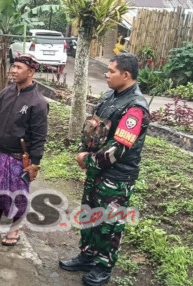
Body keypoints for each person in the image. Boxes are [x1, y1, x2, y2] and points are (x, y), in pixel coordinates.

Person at [59, 53, 150, 286]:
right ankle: (87, 255)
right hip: (97, 172)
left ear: (126, 75)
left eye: (111, 71)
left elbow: (118, 148)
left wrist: (88, 160)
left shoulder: (135, 107)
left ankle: (103, 266)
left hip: (116, 177)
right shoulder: (111, 95)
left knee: (110, 223)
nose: (106, 75)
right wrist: (83, 149)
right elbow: (93, 127)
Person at [0, 54, 48, 247]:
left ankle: (15, 228)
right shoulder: (5, 94)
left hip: (19, 158)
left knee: (18, 195)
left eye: (19, 67)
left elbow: (39, 136)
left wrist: (35, 163)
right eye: (13, 66)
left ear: (31, 72)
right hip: (0, 153)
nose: (13, 70)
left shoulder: (37, 102)